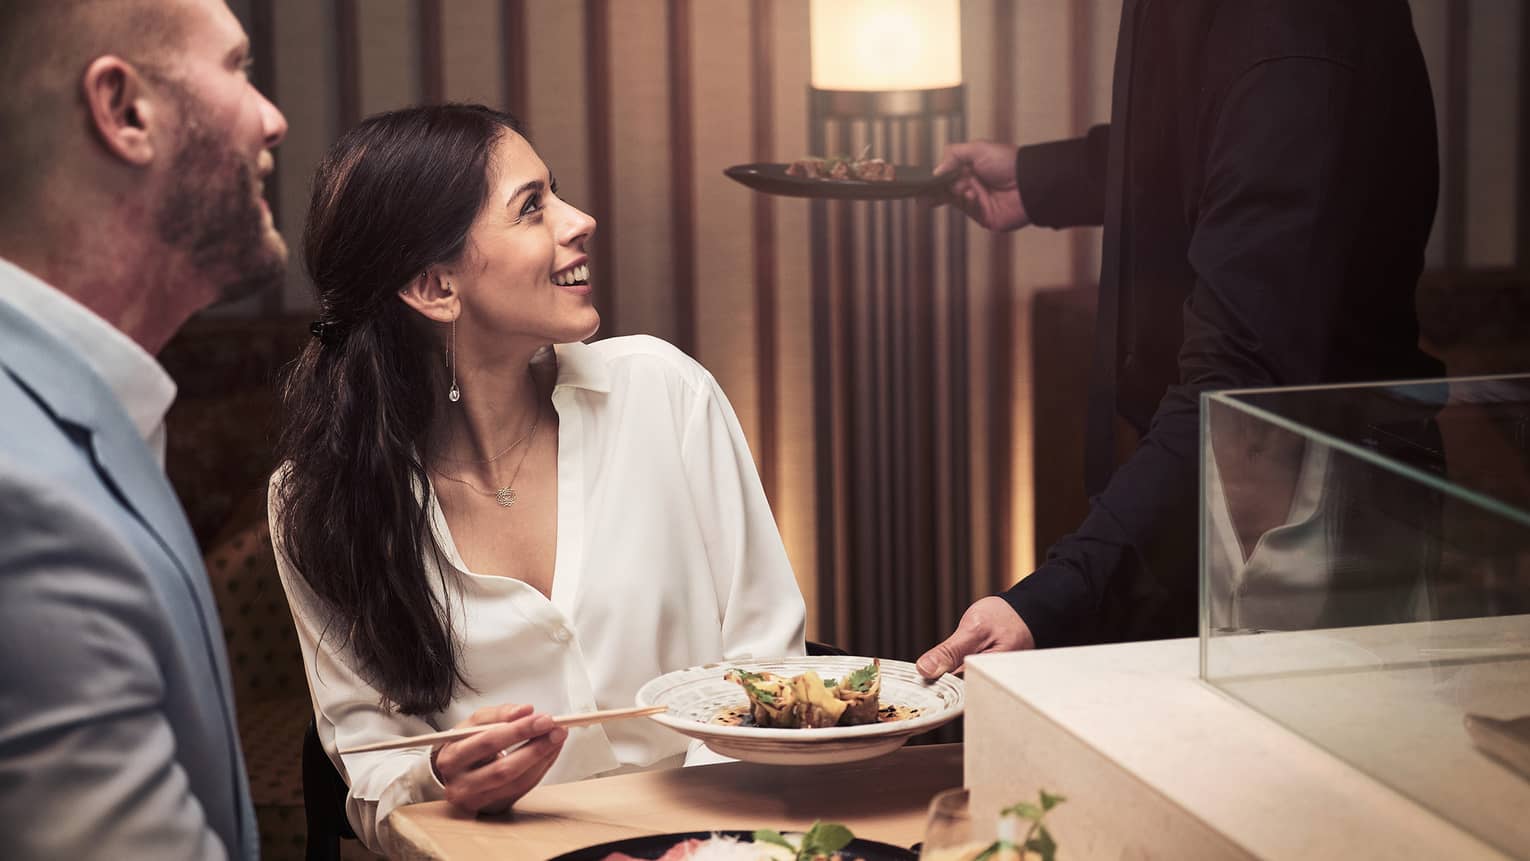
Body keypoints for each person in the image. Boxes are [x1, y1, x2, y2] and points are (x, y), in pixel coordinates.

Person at [269, 103, 805, 855]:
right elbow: (369, 771)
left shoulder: (665, 391)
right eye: (532, 208)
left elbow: (770, 665)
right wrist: (438, 776)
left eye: (557, 191)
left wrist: (701, 844)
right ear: (435, 287)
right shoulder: (314, 500)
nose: (579, 219)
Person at [917, 0, 1445, 676]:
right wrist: (1044, 178)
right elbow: (1212, 140)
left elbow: (1240, 387)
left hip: (1318, 517)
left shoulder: (1294, 29)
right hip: (1219, 485)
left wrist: (1049, 601)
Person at [0, 1, 288, 857]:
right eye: (237, 67)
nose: (273, 117)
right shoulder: (23, 497)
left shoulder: (89, 405)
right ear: (126, 112)